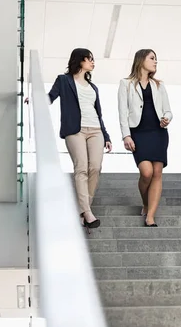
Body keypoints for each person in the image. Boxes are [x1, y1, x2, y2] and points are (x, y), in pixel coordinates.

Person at [48, 48, 112, 228]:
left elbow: (98, 114)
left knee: (95, 167)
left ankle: (83, 210)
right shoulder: (64, 80)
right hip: (75, 130)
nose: (93, 62)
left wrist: (106, 135)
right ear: (80, 60)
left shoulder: (93, 87)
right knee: (81, 168)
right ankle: (88, 212)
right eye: (90, 59)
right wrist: (37, 98)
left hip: (96, 130)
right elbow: (51, 97)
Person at [118, 49, 172, 227]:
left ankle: (150, 216)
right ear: (141, 60)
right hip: (138, 133)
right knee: (146, 172)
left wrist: (167, 118)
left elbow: (168, 110)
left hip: (158, 132)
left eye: (156, 59)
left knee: (157, 173)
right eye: (152, 58)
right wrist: (126, 135)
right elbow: (123, 112)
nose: (155, 62)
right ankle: (145, 202)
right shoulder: (125, 84)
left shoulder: (159, 85)